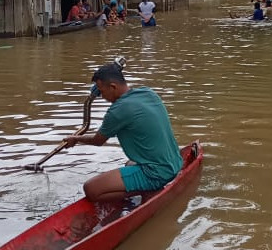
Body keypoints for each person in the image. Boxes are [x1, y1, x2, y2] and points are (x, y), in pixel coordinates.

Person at [63, 63, 183, 203]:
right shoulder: (147, 92)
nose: (102, 96)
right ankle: (148, 183)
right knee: (129, 163)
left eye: (102, 91)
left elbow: (98, 140)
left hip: (156, 173)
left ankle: (149, 190)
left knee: (91, 189)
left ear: (113, 87)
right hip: (175, 162)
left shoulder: (117, 111)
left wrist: (75, 139)